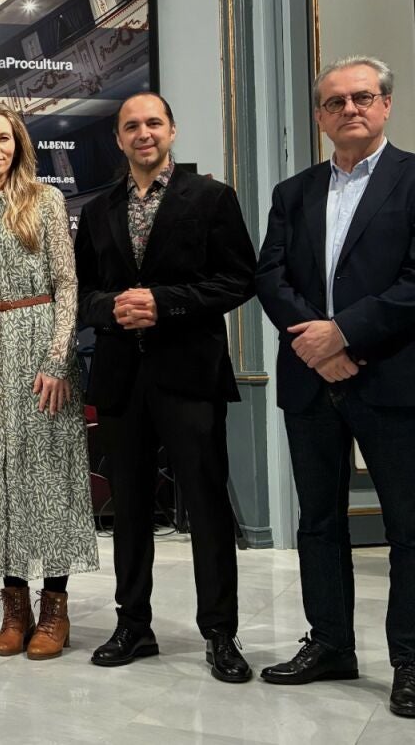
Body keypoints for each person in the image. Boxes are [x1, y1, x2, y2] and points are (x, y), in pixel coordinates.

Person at [254, 56, 415, 719]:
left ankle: (411, 664)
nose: (349, 109)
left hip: (393, 375)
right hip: (311, 381)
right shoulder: (293, 192)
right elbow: (271, 277)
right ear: (319, 116)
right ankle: (331, 644)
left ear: (385, 105)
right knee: (318, 522)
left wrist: (342, 335)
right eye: (335, 101)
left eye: (362, 97)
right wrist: (318, 348)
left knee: (411, 530)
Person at [73, 91, 256, 683]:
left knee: (206, 506)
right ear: (118, 139)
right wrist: (111, 308)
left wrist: (164, 303)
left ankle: (220, 634)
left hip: (190, 375)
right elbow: (81, 294)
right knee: (127, 509)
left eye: (153, 122)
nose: (143, 133)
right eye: (131, 126)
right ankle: (133, 625)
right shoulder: (97, 210)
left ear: (172, 130)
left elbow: (238, 280)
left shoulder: (212, 198)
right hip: (121, 379)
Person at [0, 103, 99, 660]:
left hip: (39, 351)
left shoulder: (46, 200)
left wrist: (57, 359)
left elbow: (67, 284)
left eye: (4, 138)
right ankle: (15, 607)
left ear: (18, 144)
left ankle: (55, 606)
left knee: (49, 477)